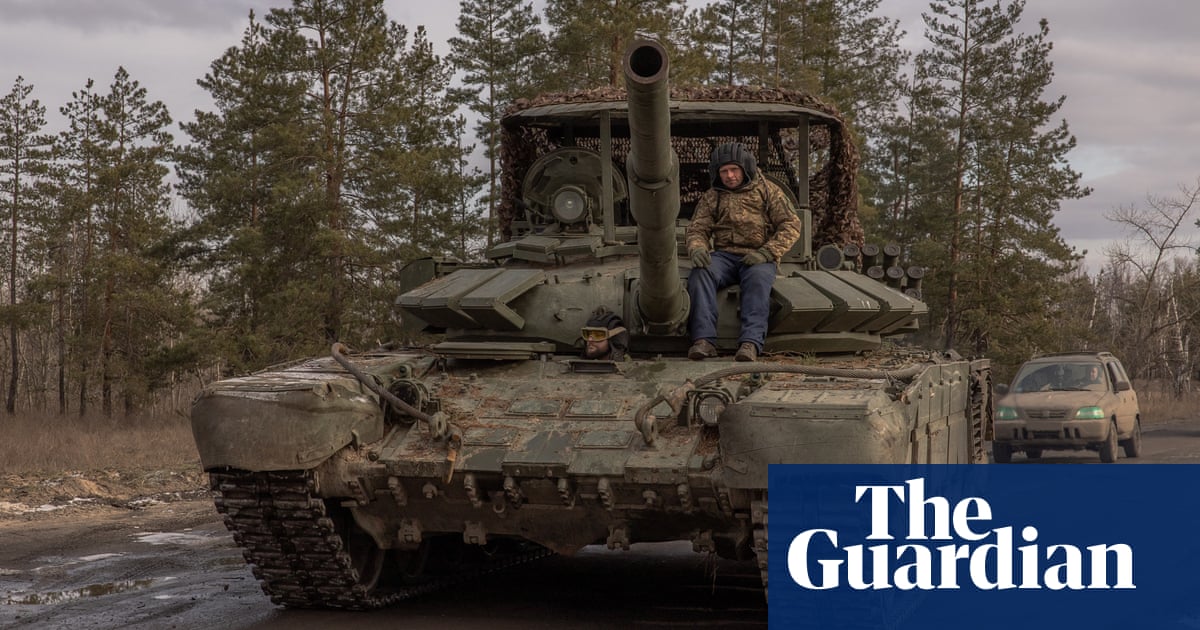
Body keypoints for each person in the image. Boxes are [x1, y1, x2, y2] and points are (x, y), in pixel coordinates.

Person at [685, 142, 802, 362]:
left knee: (757, 281)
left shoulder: (768, 191)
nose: (729, 176)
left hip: (759, 256)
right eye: (724, 171)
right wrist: (697, 248)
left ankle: (750, 343)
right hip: (724, 257)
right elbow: (697, 228)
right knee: (701, 273)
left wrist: (768, 252)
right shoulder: (713, 196)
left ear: (745, 168)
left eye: (734, 170)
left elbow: (791, 224)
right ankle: (703, 340)